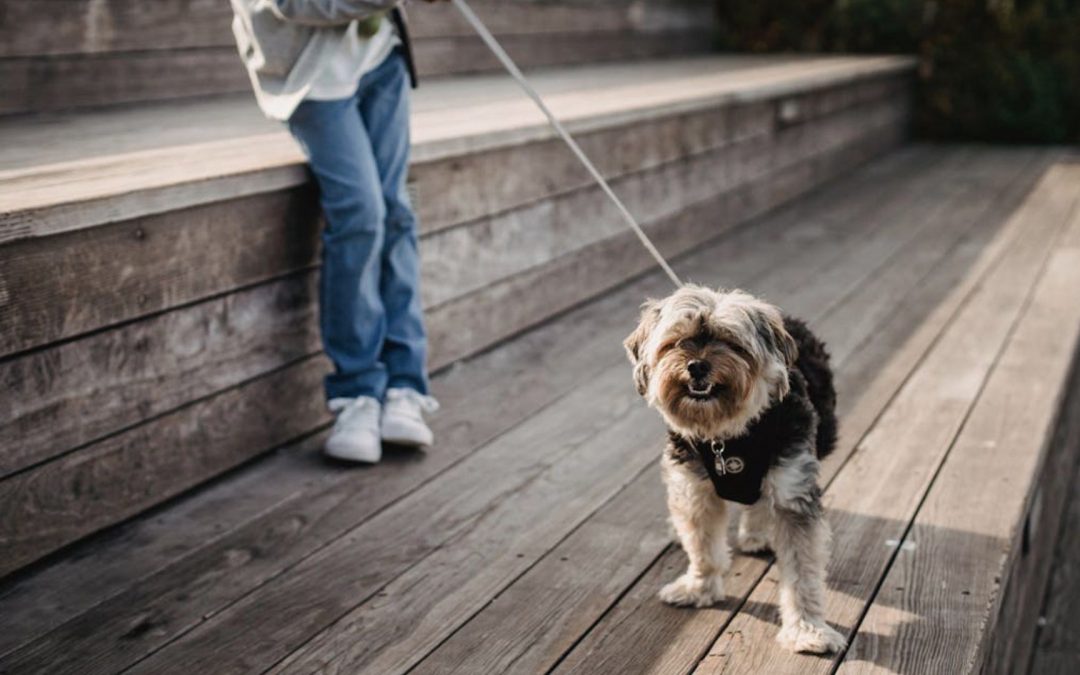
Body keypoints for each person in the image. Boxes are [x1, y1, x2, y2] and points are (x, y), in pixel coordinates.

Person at [230, 0, 446, 463]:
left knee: (396, 212)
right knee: (361, 214)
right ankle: (357, 393)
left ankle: (404, 387)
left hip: (380, 60)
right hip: (311, 77)